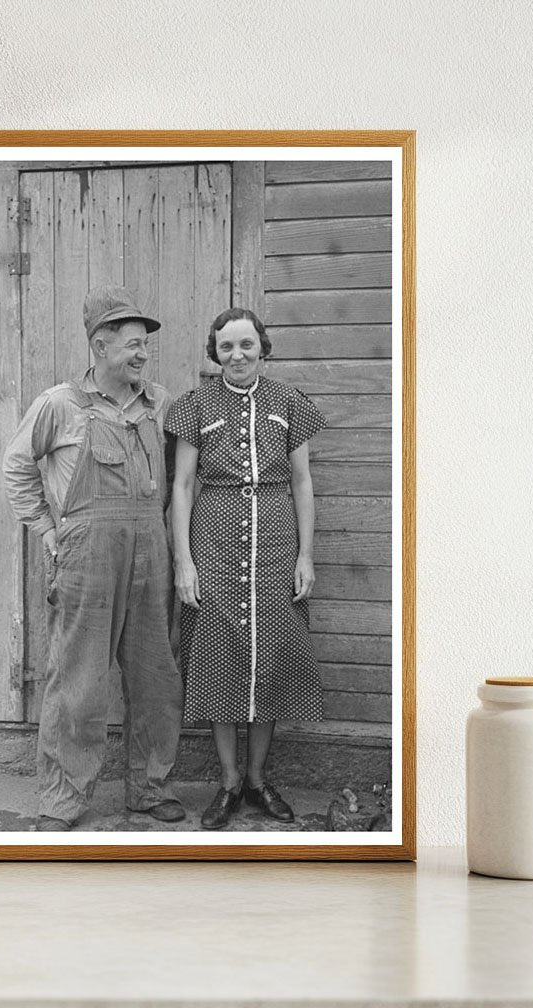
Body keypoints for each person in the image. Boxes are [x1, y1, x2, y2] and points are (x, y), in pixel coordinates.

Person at [3, 284, 185, 832]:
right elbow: (17, 469)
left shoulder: (160, 403)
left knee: (156, 675)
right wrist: (50, 533)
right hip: (86, 555)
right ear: (99, 346)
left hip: (151, 550)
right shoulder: (59, 404)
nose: (142, 354)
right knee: (78, 679)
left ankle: (149, 787)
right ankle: (63, 800)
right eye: (131, 344)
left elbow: (177, 480)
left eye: (144, 346)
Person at [165, 308, 327, 830]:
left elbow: (301, 481)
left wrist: (306, 554)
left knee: (273, 656)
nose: (238, 356)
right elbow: (182, 486)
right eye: (227, 347)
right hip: (212, 543)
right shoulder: (194, 406)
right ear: (215, 352)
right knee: (220, 657)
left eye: (247, 346)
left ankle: (259, 778)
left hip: (277, 544)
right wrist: (183, 563)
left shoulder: (289, 404)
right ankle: (229, 781)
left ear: (263, 348)